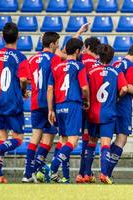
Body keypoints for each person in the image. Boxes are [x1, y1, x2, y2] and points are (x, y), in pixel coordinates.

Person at [0, 22, 31, 183]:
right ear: (18, 37)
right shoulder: (20, 57)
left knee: (2, 137)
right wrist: (23, 91)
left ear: (2, 38)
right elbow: (23, 79)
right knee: (17, 138)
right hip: (12, 103)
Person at [47, 38, 90, 183]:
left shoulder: (57, 67)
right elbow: (84, 88)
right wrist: (87, 101)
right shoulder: (79, 66)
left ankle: (63, 176)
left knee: (64, 140)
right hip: (73, 104)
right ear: (77, 51)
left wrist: (51, 109)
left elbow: (50, 89)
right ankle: (52, 167)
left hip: (59, 106)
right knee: (73, 141)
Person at [85, 44, 128, 184]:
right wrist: (117, 97)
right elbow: (125, 89)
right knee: (105, 144)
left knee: (91, 143)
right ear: (111, 57)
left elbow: (85, 88)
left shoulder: (90, 71)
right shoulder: (116, 71)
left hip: (92, 112)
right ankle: (104, 174)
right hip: (108, 113)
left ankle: (86, 174)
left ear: (98, 55)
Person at [22, 32, 61, 183]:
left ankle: (27, 174)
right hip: (50, 102)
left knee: (35, 136)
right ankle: (35, 169)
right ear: (51, 44)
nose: (58, 46)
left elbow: (26, 79)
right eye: (57, 43)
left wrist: (26, 91)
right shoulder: (55, 59)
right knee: (49, 137)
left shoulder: (32, 59)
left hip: (36, 102)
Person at [107, 42, 133, 178]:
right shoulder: (131, 65)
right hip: (122, 106)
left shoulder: (116, 62)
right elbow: (128, 86)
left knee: (105, 139)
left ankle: (101, 171)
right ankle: (106, 173)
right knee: (121, 138)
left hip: (108, 104)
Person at [75, 36, 101, 183]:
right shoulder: (97, 63)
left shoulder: (78, 59)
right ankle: (85, 173)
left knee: (81, 138)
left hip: (78, 102)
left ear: (87, 47)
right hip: (91, 104)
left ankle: (83, 173)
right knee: (90, 139)